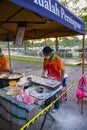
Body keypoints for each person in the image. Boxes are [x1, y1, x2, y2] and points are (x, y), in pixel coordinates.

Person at [42, 46, 65, 112]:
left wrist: (60, 80)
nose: (46, 56)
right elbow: (44, 67)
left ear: (50, 53)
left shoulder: (57, 59)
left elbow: (63, 70)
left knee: (56, 94)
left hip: (57, 79)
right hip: (49, 78)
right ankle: (46, 105)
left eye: (46, 55)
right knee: (47, 92)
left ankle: (56, 107)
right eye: (44, 55)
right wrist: (43, 72)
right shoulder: (45, 59)